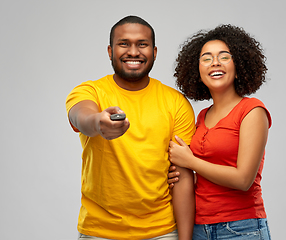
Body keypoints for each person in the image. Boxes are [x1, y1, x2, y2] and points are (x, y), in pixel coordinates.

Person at [66, 15, 195, 240]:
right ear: (110, 51)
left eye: (142, 44)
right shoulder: (90, 91)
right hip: (99, 231)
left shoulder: (176, 102)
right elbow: (80, 116)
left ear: (154, 52)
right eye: (124, 43)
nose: (133, 52)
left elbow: (181, 176)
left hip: (162, 231)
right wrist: (98, 122)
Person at [168, 24, 272, 239]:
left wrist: (190, 162)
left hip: (241, 228)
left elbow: (244, 180)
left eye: (224, 56)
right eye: (206, 58)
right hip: (199, 227)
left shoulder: (252, 111)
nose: (214, 62)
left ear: (239, 65)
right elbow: (209, 175)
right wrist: (183, 177)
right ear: (197, 70)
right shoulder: (202, 116)